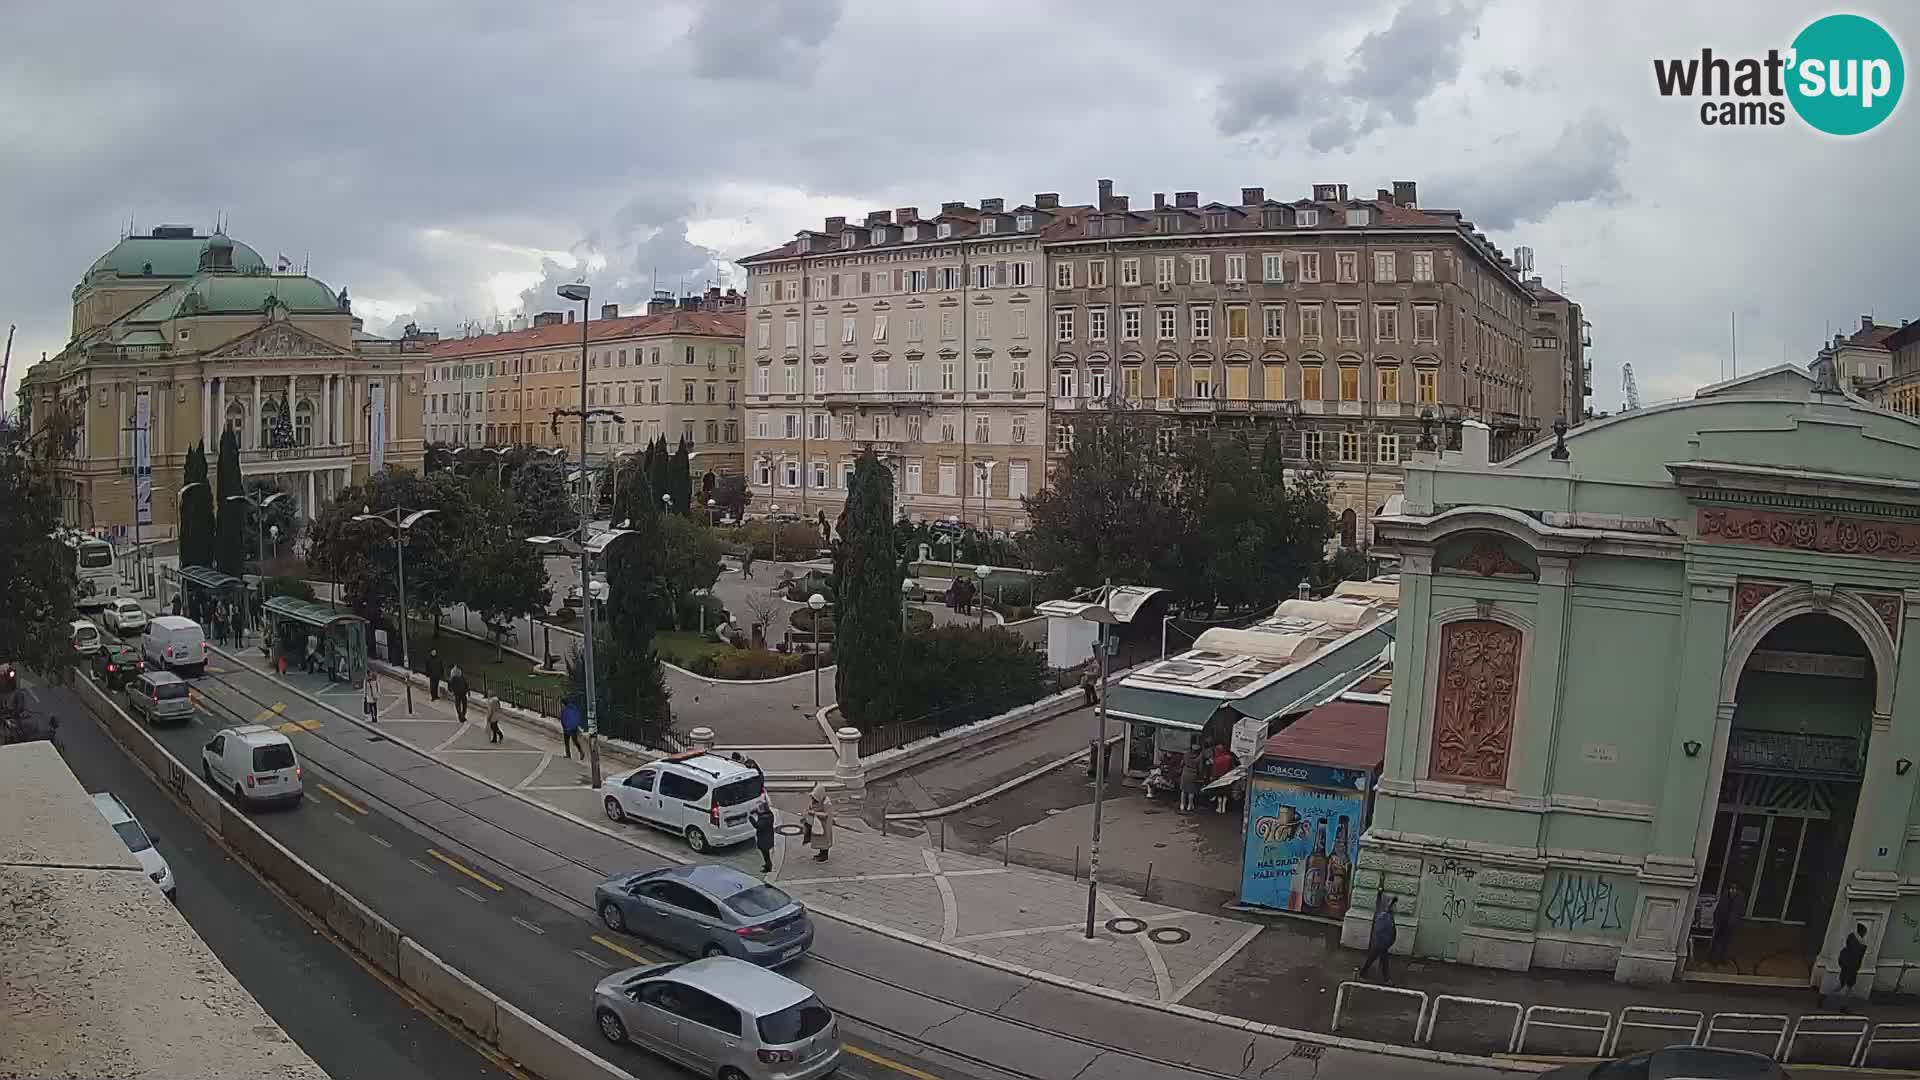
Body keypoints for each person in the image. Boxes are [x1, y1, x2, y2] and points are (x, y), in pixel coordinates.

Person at [1827, 923, 1870, 1011]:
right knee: (1846, 988)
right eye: (1865, 932)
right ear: (1862, 932)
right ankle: (1842, 1006)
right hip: (1851, 968)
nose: (1865, 934)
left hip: (1847, 967)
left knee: (1842, 986)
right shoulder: (1859, 944)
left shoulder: (1852, 938)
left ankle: (1826, 998)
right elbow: (1857, 958)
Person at [1357, 895, 1398, 982]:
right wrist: (1385, 942)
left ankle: (1364, 973)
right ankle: (1385, 979)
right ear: (1389, 905)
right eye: (1393, 905)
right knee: (1380, 960)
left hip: (1383, 943)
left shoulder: (1389, 914)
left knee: (1376, 959)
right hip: (1381, 943)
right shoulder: (1384, 916)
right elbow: (1379, 930)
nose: (1395, 907)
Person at [1711, 885, 1743, 964]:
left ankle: (1722, 959)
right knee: (1717, 941)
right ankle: (1713, 959)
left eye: (1735, 889)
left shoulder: (1739, 900)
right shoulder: (1724, 898)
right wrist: (1716, 922)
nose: (1733, 891)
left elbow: (1739, 912)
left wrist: (1735, 922)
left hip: (1731, 925)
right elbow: (1718, 911)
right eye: (1731, 889)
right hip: (1721, 923)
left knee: (1726, 943)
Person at [805, 783, 834, 862]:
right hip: (819, 823)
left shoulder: (826, 803)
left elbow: (827, 814)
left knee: (824, 840)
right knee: (820, 840)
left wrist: (814, 813)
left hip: (824, 825)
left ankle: (824, 855)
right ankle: (821, 853)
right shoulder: (817, 800)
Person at [749, 800, 777, 873]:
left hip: (764, 840)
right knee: (766, 854)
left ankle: (768, 867)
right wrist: (756, 811)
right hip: (768, 837)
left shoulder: (764, 819)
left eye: (759, 808)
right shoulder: (769, 815)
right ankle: (767, 865)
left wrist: (751, 819)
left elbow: (757, 826)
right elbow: (760, 813)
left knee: (766, 855)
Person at [1179, 748, 1205, 813]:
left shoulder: (1186, 755)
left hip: (1185, 773)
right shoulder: (1199, 757)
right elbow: (1200, 768)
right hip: (1193, 774)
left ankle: (1182, 805)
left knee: (1184, 790)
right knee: (1191, 791)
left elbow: (1181, 763)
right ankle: (1189, 806)